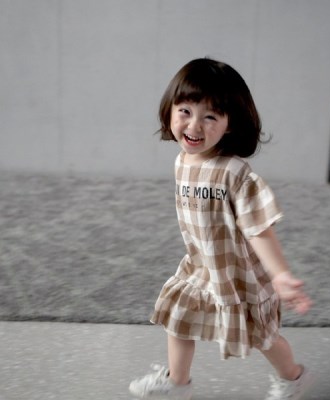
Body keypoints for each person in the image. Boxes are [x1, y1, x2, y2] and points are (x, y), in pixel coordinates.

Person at [129, 58, 313, 400]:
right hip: (200, 265)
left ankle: (293, 377)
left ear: (230, 124)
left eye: (210, 117)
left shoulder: (234, 174)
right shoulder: (182, 161)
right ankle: (177, 383)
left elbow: (258, 228)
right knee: (178, 319)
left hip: (239, 274)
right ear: (170, 111)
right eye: (185, 111)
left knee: (262, 338)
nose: (194, 125)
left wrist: (281, 275)